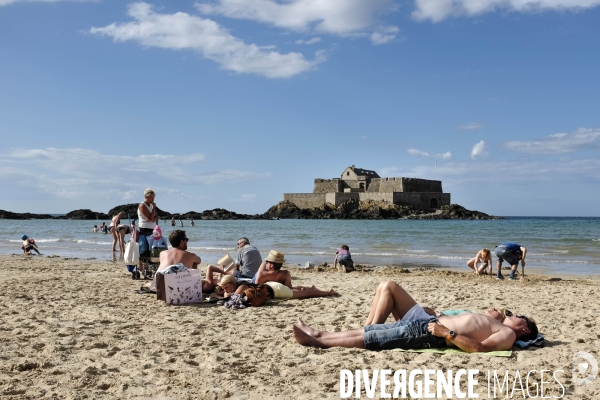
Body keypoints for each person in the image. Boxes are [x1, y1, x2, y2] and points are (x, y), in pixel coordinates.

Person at [293, 280, 538, 352]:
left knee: (375, 337)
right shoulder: (497, 323)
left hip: (431, 332)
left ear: (524, 329)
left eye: (520, 317)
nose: (515, 314)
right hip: (429, 324)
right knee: (373, 331)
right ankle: (320, 334)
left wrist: (448, 333)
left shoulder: (506, 334)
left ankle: (320, 341)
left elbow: (480, 350)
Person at [250, 250, 338, 299]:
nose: (266, 263)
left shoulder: (262, 274)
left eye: (267, 262)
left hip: (262, 280)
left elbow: (256, 289)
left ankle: (313, 289)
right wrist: (303, 289)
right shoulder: (285, 274)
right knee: (297, 290)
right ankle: (314, 289)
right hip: (259, 278)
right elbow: (289, 288)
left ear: (271, 265)